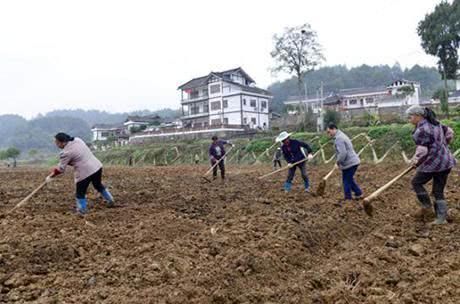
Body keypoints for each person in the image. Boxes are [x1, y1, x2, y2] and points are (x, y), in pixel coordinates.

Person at [406, 105, 456, 225]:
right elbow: (450, 133)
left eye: (410, 117)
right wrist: (443, 146)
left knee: (416, 182)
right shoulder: (436, 123)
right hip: (446, 161)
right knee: (438, 190)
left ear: (418, 116)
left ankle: (426, 206)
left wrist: (415, 162)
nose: (409, 120)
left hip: (434, 163)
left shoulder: (421, 130)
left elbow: (422, 152)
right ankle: (441, 217)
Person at [46, 133, 115, 215]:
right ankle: (110, 200)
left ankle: (82, 210)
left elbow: (60, 169)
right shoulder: (78, 140)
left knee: (80, 192)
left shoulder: (65, 153)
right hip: (96, 166)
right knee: (98, 184)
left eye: (57, 143)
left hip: (84, 172)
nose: (56, 145)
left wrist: (50, 176)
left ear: (63, 142)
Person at [326, 123, 362, 205]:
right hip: (352, 162)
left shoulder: (339, 138)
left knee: (346, 181)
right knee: (349, 179)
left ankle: (348, 199)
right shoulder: (342, 135)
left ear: (333, 129)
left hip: (350, 163)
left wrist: (337, 162)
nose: (329, 134)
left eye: (329, 132)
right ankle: (358, 193)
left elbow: (343, 153)